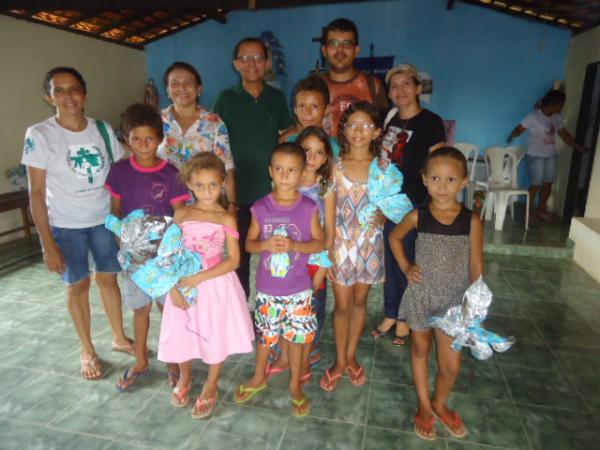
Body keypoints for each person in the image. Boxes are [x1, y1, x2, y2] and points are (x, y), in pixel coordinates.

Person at [22, 67, 132, 380]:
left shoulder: (102, 129)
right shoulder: (40, 135)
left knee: (109, 280)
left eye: (74, 89)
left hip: (103, 220)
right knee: (78, 285)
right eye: (60, 90)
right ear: (49, 97)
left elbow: (123, 166)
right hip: (66, 225)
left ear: (85, 94)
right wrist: (47, 244)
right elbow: (37, 193)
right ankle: (88, 349)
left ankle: (119, 337)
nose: (68, 96)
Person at [389, 147, 483, 441]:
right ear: (425, 180)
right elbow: (394, 237)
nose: (443, 186)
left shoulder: (471, 221)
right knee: (419, 350)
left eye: (451, 180)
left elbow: (477, 266)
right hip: (421, 295)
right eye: (436, 178)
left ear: (464, 183)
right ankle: (424, 406)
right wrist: (406, 266)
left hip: (454, 303)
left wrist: (476, 305)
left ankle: (440, 403)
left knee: (451, 364)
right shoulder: (418, 216)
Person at [158, 153, 254, 419]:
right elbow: (169, 253)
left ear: (222, 182)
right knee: (181, 332)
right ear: (189, 184)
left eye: (213, 184)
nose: (207, 191)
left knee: (214, 334)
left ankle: (211, 384)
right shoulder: (182, 213)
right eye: (200, 185)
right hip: (181, 282)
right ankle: (185, 377)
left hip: (213, 283)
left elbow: (234, 260)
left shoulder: (226, 218)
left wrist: (200, 278)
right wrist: (173, 287)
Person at [104, 103, 190, 391]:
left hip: (165, 258)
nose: (143, 145)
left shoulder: (172, 173)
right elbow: (115, 213)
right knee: (140, 310)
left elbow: (180, 215)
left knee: (169, 311)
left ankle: (174, 361)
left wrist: (170, 250)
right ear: (126, 140)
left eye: (149, 138)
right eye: (136, 138)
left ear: (160, 139)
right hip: (134, 258)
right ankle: (140, 360)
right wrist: (125, 242)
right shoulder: (118, 172)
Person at [233, 143, 324, 418]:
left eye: (291, 170)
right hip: (268, 290)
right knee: (265, 338)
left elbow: (319, 244)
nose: (285, 175)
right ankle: (259, 376)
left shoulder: (309, 208)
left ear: (301, 173)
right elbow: (249, 244)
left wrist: (296, 244)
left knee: (297, 340)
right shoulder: (260, 207)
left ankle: (295, 385)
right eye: (279, 169)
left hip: (298, 291)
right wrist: (265, 245)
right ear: (270, 171)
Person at [213, 37, 294, 297]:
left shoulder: (276, 97)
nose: (252, 63)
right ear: (236, 63)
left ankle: (274, 304)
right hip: (240, 193)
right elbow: (215, 142)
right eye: (245, 58)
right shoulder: (226, 99)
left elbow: (286, 132)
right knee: (241, 258)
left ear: (267, 62)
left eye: (258, 57)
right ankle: (241, 313)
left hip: (274, 192)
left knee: (277, 252)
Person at [375, 63, 446, 346]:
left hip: (415, 204)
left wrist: (432, 208)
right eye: (394, 86)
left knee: (409, 263)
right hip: (389, 203)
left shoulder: (430, 122)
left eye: (407, 84)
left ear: (418, 88)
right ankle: (391, 313)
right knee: (391, 261)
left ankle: (404, 319)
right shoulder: (388, 119)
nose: (400, 90)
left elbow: (438, 165)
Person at [319, 101, 386, 392]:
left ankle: (350, 357)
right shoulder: (333, 167)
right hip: (342, 247)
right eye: (352, 125)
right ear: (343, 130)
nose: (359, 131)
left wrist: (386, 213)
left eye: (366, 125)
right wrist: (330, 250)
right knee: (343, 304)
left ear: (377, 132)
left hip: (371, 247)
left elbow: (393, 205)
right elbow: (329, 213)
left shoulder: (384, 168)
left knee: (361, 302)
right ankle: (338, 360)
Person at [268, 126, 335, 380]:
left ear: (326, 157)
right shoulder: (285, 182)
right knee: (285, 309)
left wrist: (322, 268)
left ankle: (305, 356)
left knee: (310, 311)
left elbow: (329, 232)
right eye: (306, 150)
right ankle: (285, 355)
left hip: (313, 261)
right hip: (286, 261)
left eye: (319, 152)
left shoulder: (325, 189)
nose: (312, 158)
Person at [158, 62, 236, 211]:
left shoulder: (214, 123)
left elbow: (227, 167)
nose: (182, 88)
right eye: (175, 84)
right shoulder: (156, 121)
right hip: (164, 204)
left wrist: (232, 206)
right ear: (167, 90)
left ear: (199, 88)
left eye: (188, 83)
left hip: (206, 206)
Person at [508, 89, 586, 221]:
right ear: (555, 104)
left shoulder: (557, 117)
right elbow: (519, 129)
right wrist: (512, 136)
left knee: (548, 184)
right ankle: (529, 211)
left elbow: (564, 134)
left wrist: (577, 147)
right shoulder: (534, 116)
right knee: (536, 185)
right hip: (535, 156)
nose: (562, 107)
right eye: (562, 104)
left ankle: (541, 211)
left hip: (550, 155)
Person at [319, 18, 388, 136]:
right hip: (322, 154)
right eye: (333, 44)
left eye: (347, 44)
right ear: (324, 51)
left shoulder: (374, 85)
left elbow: (385, 128)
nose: (340, 50)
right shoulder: (313, 84)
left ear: (356, 50)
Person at [280, 75, 341, 157]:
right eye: (302, 106)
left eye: (314, 106)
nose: (307, 112)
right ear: (295, 110)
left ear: (327, 109)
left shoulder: (336, 148)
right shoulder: (289, 146)